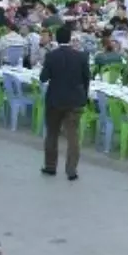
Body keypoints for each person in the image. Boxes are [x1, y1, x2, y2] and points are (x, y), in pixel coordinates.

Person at [39, 26, 92, 181]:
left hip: (55, 99)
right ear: (70, 38)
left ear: (56, 38)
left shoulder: (51, 56)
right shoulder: (82, 57)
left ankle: (50, 166)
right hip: (75, 100)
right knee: (73, 136)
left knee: (52, 134)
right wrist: (84, 96)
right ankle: (71, 170)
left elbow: (43, 78)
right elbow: (86, 79)